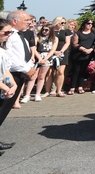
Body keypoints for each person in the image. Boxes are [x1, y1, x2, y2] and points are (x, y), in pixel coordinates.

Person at [2, 11, 35, 112]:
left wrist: (30, 68)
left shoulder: (19, 35)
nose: (29, 22)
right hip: (9, 75)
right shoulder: (7, 34)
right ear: (14, 21)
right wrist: (26, 69)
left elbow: (23, 55)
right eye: (26, 20)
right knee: (2, 108)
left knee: (6, 109)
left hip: (20, 74)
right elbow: (8, 57)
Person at [0, 19, 20, 154]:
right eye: (6, 32)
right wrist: (5, 87)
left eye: (11, 32)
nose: (9, 35)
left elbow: (5, 70)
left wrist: (13, 84)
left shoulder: (2, 50)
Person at [24, 25, 58, 102]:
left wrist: (45, 59)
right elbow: (34, 48)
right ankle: (27, 95)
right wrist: (39, 58)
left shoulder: (55, 39)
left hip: (47, 57)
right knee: (33, 76)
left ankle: (37, 94)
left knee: (41, 76)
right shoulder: (38, 37)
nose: (44, 31)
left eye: (46, 30)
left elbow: (53, 50)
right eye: (43, 29)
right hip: (38, 56)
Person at [69, 19, 95, 95]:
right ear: (84, 24)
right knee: (75, 71)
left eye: (92, 23)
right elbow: (75, 44)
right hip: (77, 55)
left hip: (88, 55)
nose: (90, 25)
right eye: (88, 23)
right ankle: (72, 87)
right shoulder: (78, 33)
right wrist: (84, 49)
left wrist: (91, 49)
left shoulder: (94, 33)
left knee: (82, 71)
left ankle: (80, 87)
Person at [49, 17, 71, 97]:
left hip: (62, 53)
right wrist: (54, 52)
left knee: (60, 72)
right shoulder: (50, 31)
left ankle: (59, 90)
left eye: (64, 23)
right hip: (51, 52)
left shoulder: (65, 31)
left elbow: (67, 42)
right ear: (57, 22)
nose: (63, 24)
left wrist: (61, 51)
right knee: (50, 72)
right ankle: (50, 90)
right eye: (62, 23)